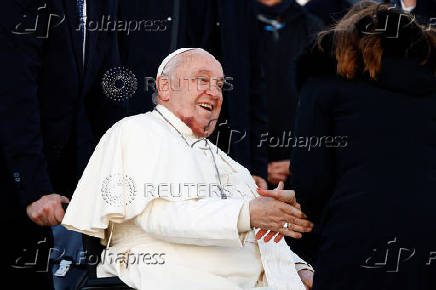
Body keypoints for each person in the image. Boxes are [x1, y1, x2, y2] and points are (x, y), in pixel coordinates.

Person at [62, 48, 315, 289]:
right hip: (176, 275)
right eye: (202, 80)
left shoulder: (224, 159)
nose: (215, 93)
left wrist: (297, 267)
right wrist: (246, 213)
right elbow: (157, 217)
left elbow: (260, 234)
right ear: (164, 87)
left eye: (219, 85)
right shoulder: (138, 130)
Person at [281, 1, 436, 289]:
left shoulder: (323, 85)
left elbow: (310, 179)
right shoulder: (428, 88)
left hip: (354, 238)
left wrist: (302, 244)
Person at [0, 0, 124, 288]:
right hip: (16, 173)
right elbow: (15, 93)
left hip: (52, 180)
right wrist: (35, 190)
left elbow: (108, 94)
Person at [118, 1, 269, 189]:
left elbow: (253, 86)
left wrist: (255, 168)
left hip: (225, 160)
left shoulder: (238, 7)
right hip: (152, 161)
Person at [254, 0, 323, 186]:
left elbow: (324, 104)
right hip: (243, 173)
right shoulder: (230, 27)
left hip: (299, 172)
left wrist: (301, 161)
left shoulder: (313, 28)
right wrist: (255, 166)